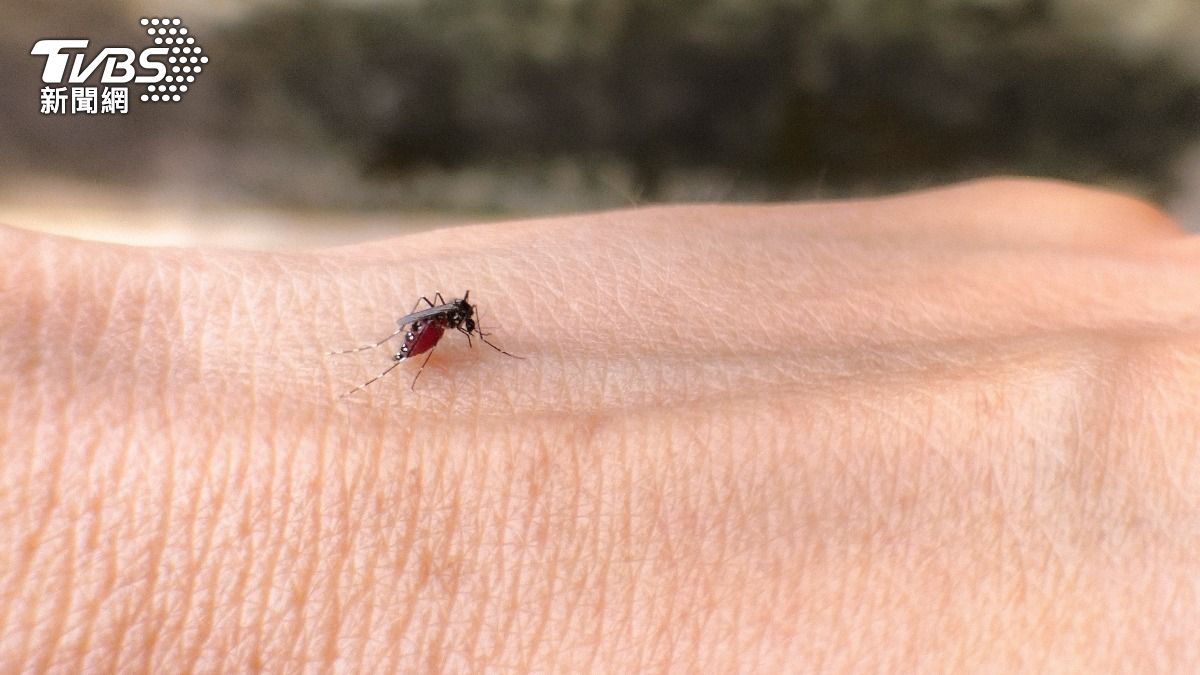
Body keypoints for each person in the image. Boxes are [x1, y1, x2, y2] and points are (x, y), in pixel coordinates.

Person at [1, 178, 1195, 671]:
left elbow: (434, 319)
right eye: (451, 326)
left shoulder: (449, 319)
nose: (453, 326)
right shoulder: (440, 330)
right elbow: (426, 325)